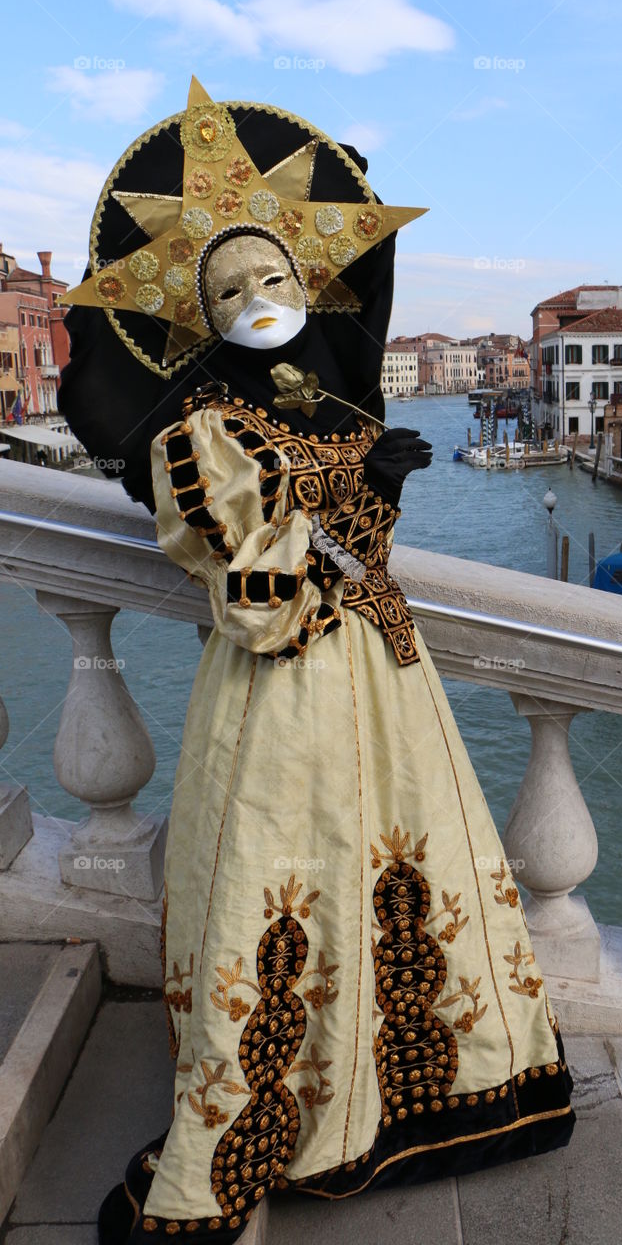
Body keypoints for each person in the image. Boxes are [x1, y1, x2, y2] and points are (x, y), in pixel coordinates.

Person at [58, 77, 574, 1245]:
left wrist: (366, 490)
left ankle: (403, 1091)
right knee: (286, 873)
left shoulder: (328, 400)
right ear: (199, 312)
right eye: (229, 287)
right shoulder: (200, 433)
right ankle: (279, 1113)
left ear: (303, 283)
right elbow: (247, 587)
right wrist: (355, 503)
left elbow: (357, 545)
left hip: (388, 682)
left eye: (274, 277)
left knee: (393, 864)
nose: (257, 297)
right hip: (282, 685)